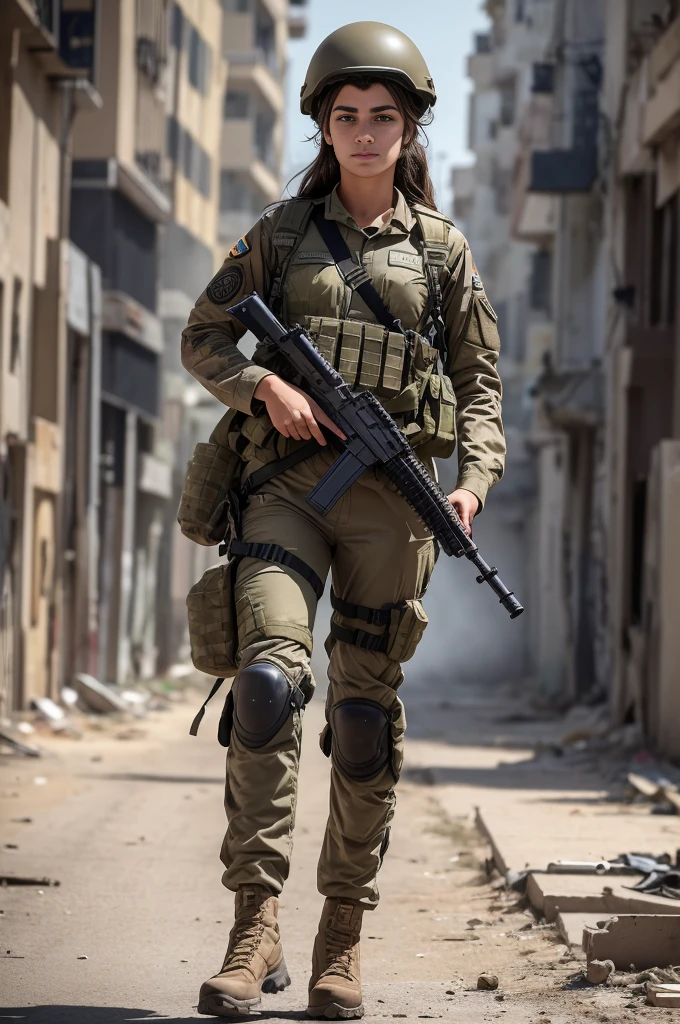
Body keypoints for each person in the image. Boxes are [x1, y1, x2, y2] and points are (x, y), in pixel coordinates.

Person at [181, 21, 505, 1020]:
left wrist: (470, 483)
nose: (364, 133)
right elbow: (203, 335)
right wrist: (260, 391)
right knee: (271, 684)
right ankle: (252, 929)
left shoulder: (442, 254)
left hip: (393, 510)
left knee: (361, 724)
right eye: (346, 116)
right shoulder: (278, 235)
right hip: (285, 488)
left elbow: (480, 387)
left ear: (408, 133)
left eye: (384, 118)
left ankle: (340, 942)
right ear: (323, 126)